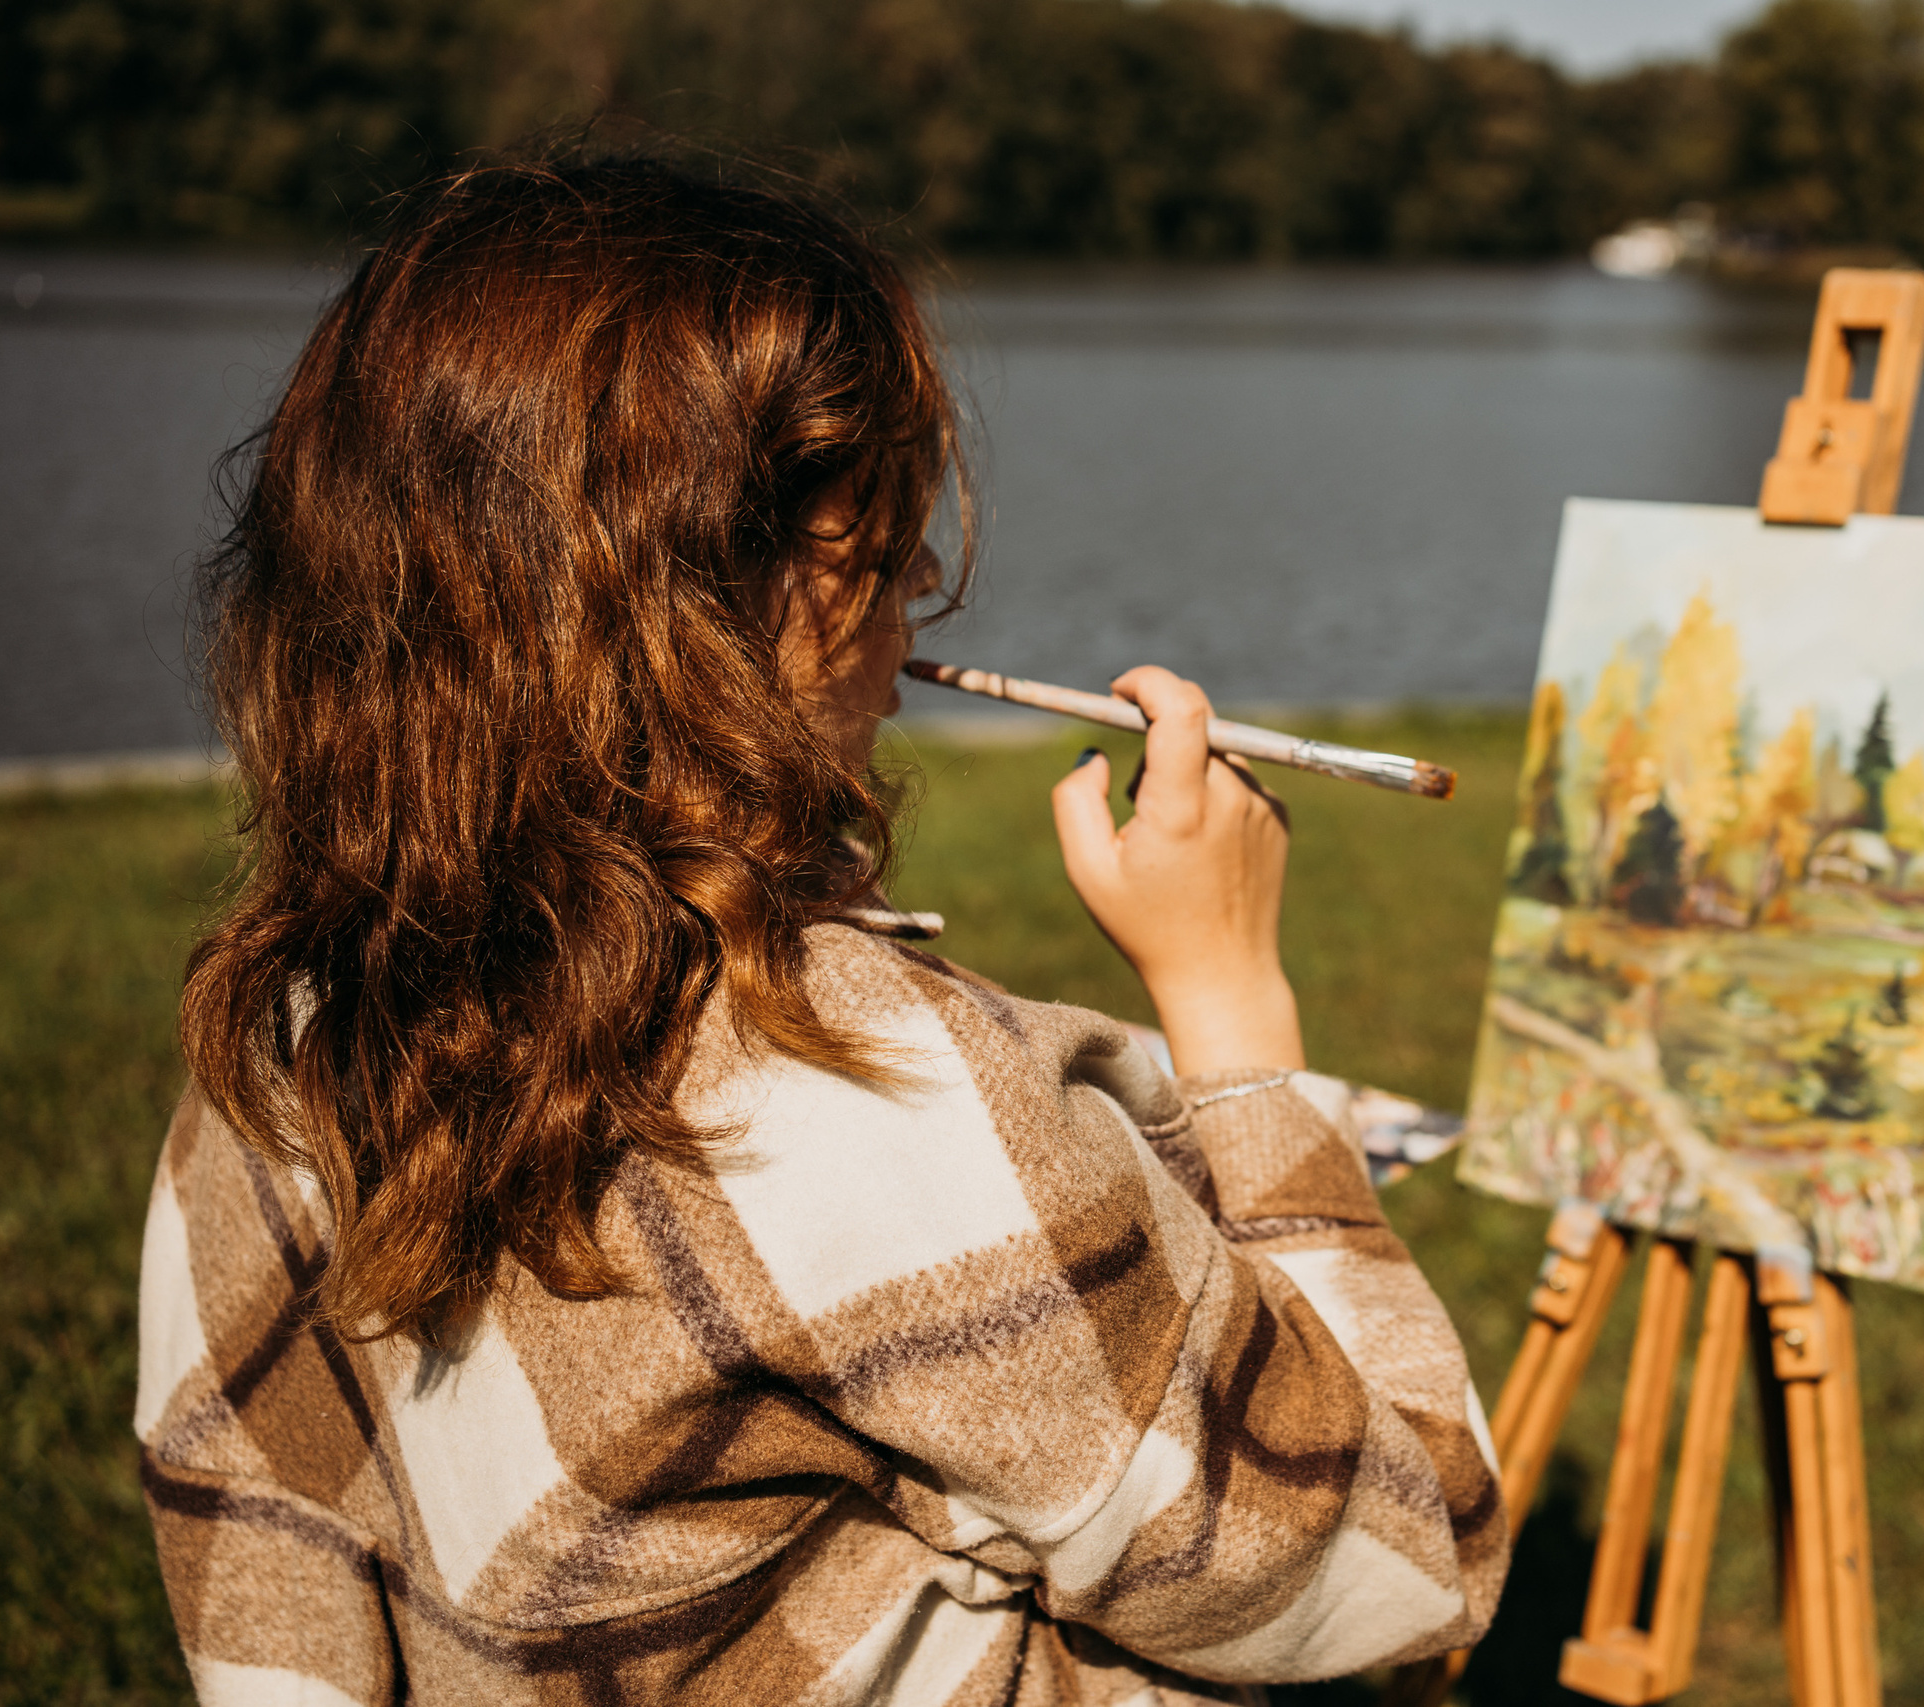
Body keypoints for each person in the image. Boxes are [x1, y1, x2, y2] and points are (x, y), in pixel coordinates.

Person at [134, 150, 1504, 1704]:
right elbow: (1401, 1567)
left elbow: (260, 1576)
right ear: (700, 592)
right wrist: (1236, 1010)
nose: (920, 587)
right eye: (878, 537)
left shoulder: (269, 1031)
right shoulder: (880, 1103)